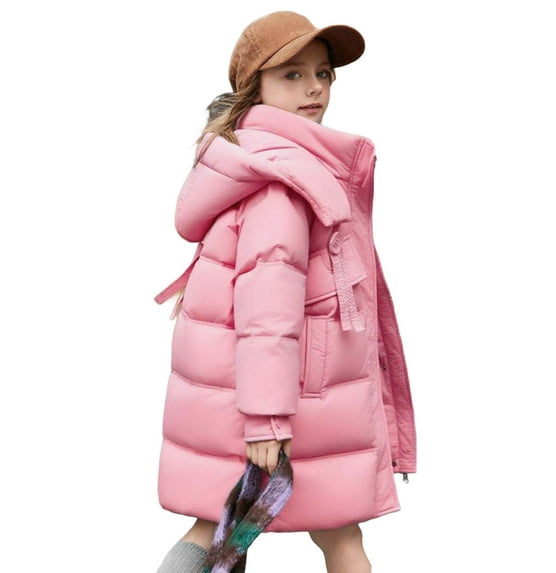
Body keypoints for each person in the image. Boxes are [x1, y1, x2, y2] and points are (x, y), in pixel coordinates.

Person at [154, 11, 416, 573]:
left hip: (272, 392)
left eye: (322, 73)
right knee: (334, 539)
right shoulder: (284, 181)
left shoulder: (260, 161)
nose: (314, 88)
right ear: (256, 86)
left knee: (221, 531)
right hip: (293, 401)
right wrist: (267, 421)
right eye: (292, 75)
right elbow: (266, 309)